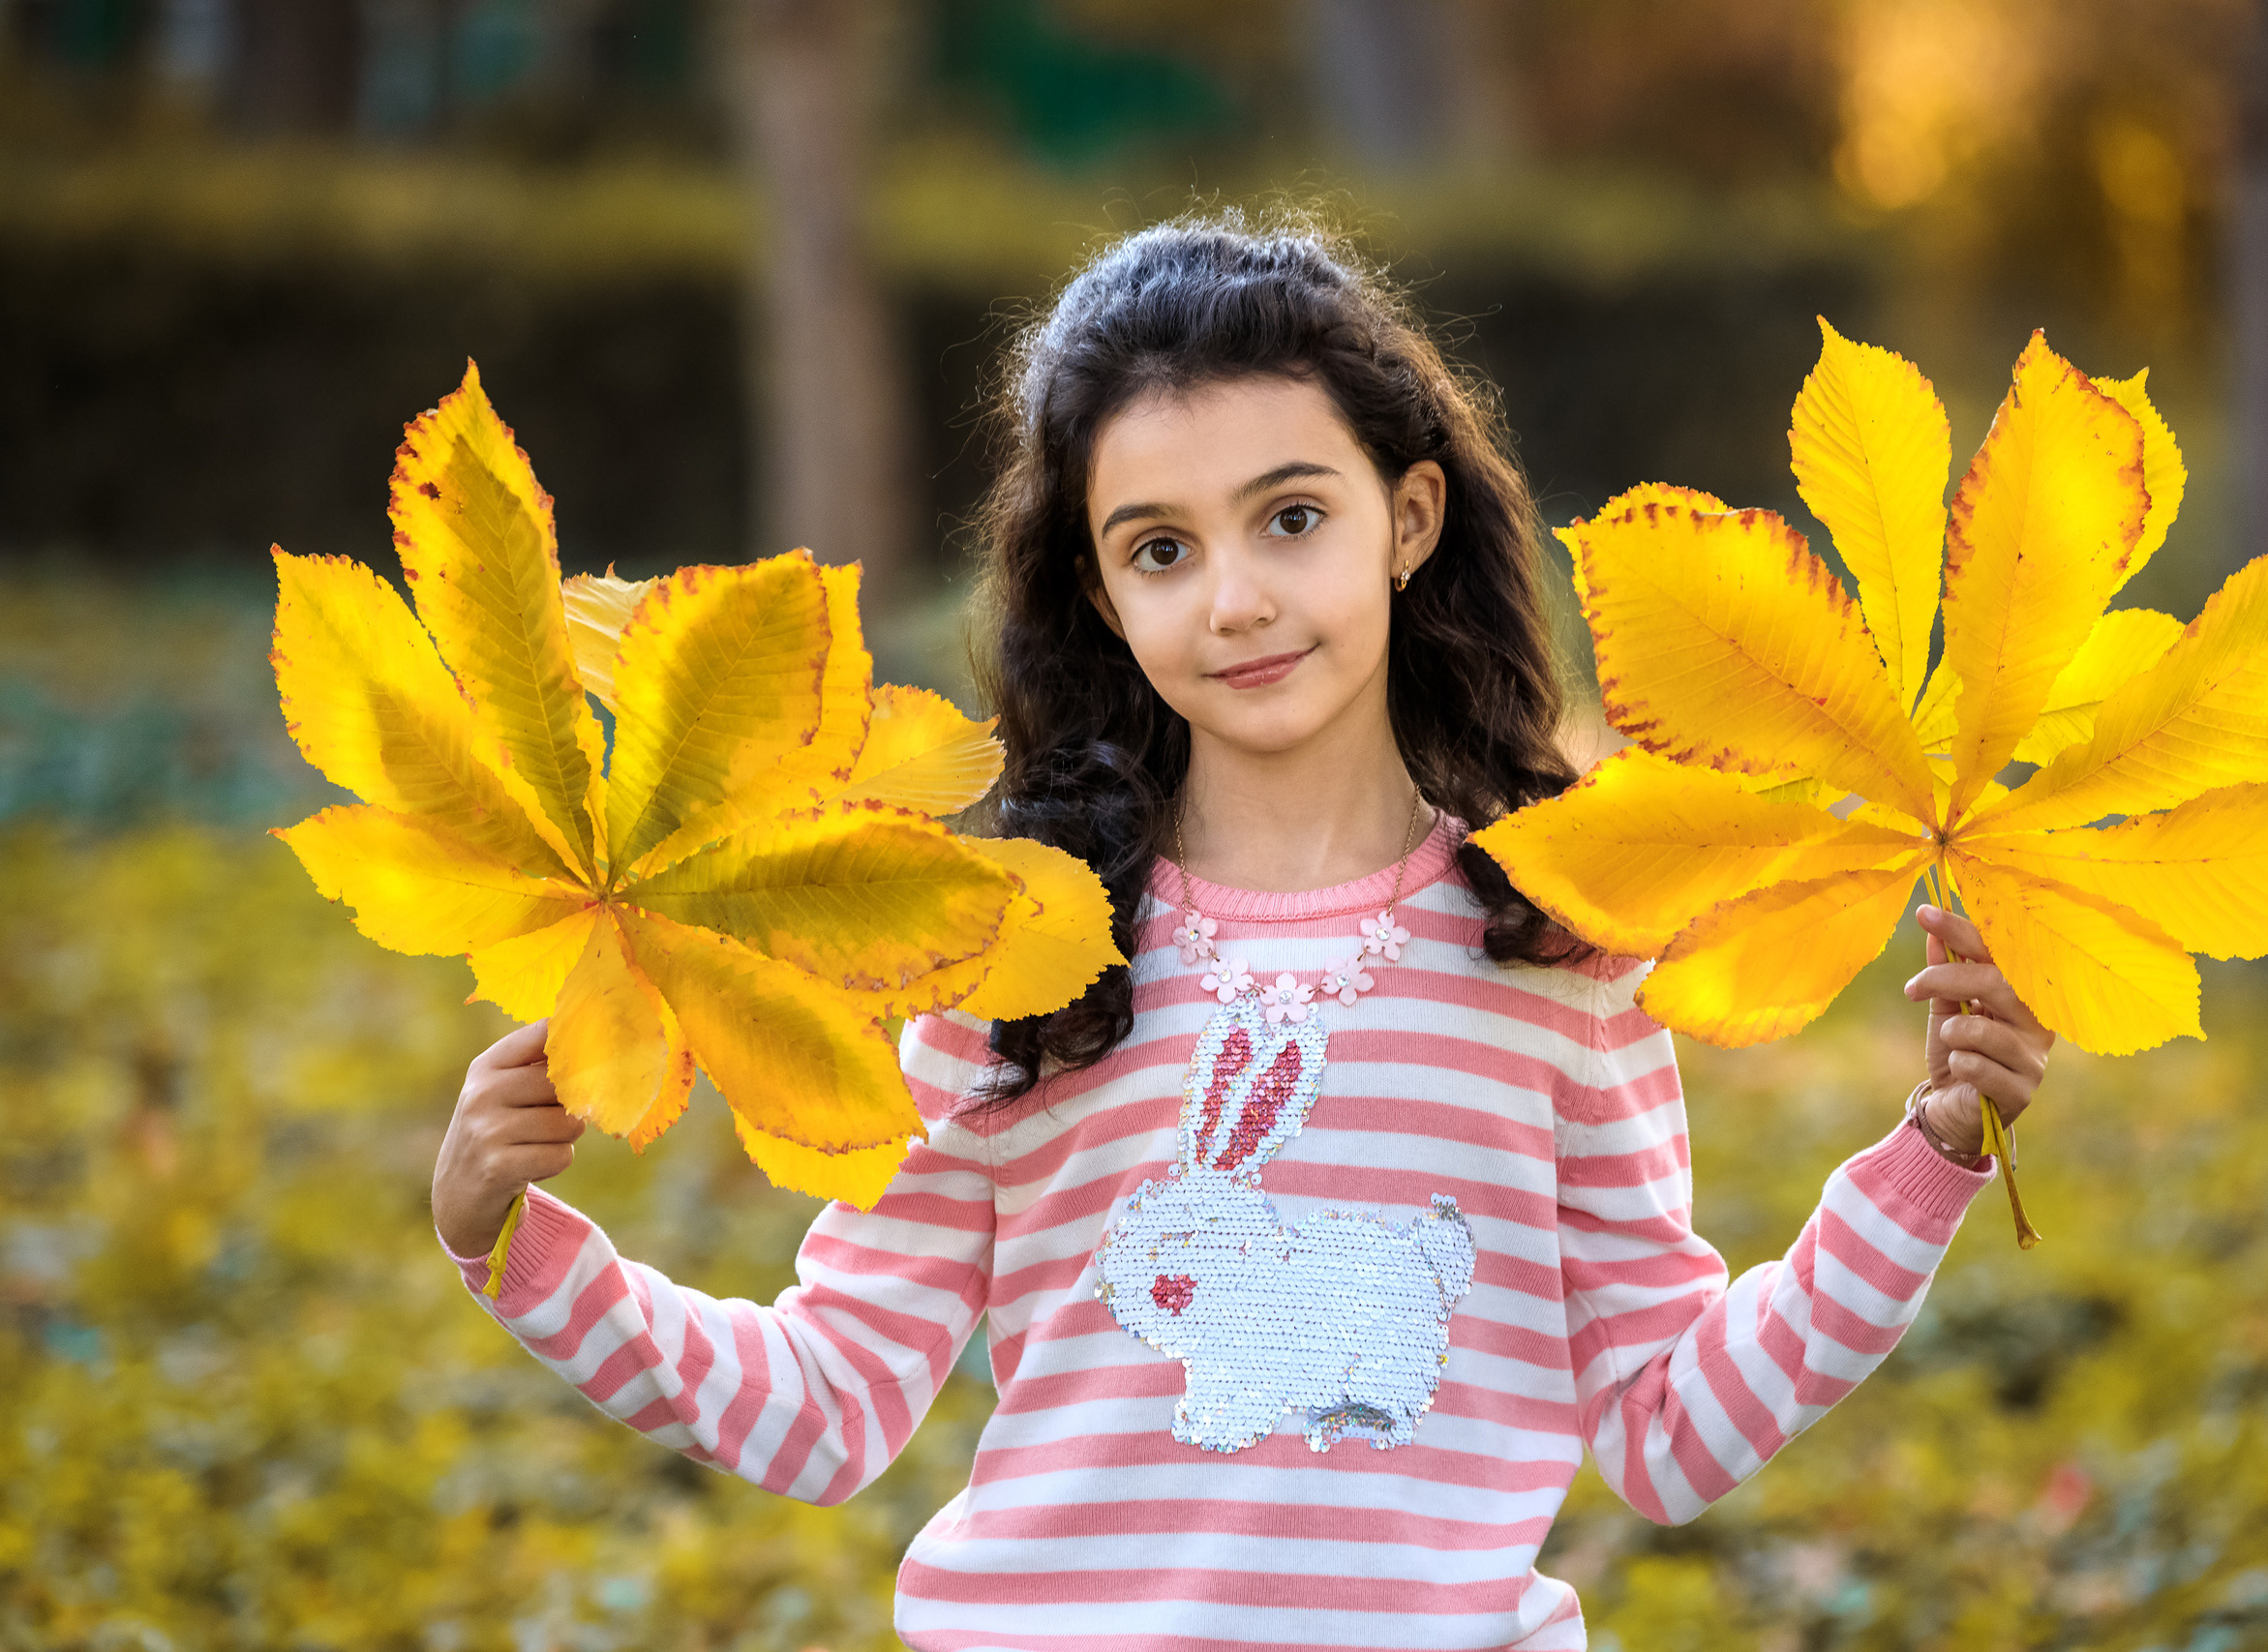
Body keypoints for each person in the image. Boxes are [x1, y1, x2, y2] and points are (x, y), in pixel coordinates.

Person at [430, 214, 2052, 1649]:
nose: (1236, 602)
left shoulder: (1564, 954)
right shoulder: (1011, 965)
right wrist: (510, 1244)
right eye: (1161, 549)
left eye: (1291, 517)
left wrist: (1931, 1154)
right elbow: (830, 1406)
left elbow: (1668, 1428)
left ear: (1408, 518)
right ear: (1099, 589)